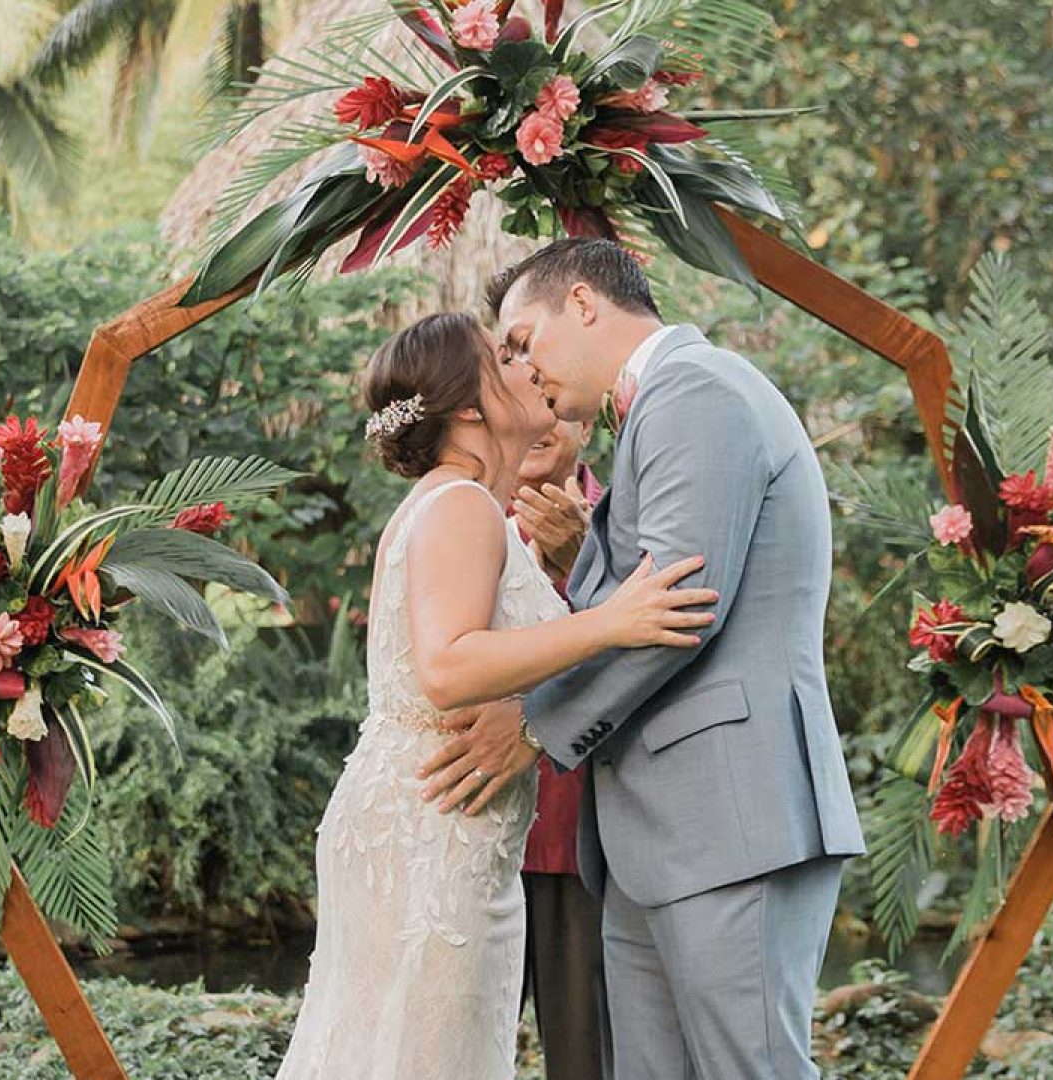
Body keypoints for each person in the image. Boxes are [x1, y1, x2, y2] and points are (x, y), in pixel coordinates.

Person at [417, 240, 866, 1080]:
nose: (519, 369)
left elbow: (678, 615)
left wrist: (534, 726)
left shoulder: (697, 393)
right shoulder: (665, 407)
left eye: (521, 340)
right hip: (658, 838)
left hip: (733, 825)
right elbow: (631, 601)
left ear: (583, 304)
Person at [274, 312, 717, 1080]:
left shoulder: (454, 503)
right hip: (432, 831)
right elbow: (448, 667)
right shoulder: (460, 506)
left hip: (437, 820)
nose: (529, 366)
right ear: (473, 404)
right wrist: (610, 624)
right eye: (504, 358)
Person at [511, 419, 614, 1080]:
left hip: (585, 833)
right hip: (470, 822)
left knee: (585, 1061)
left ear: (585, 421)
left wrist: (586, 562)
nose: (538, 421)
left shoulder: (625, 521)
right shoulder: (461, 519)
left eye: (554, 400)